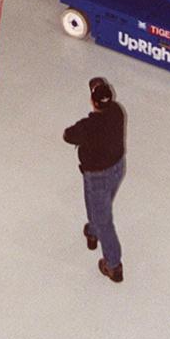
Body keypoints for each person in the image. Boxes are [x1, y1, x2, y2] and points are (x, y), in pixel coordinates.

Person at [63, 77, 126, 283]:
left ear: (94, 102)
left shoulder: (88, 126)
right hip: (117, 168)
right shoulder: (117, 112)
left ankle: (113, 265)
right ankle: (92, 231)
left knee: (103, 221)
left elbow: (68, 135)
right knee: (100, 206)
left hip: (97, 175)